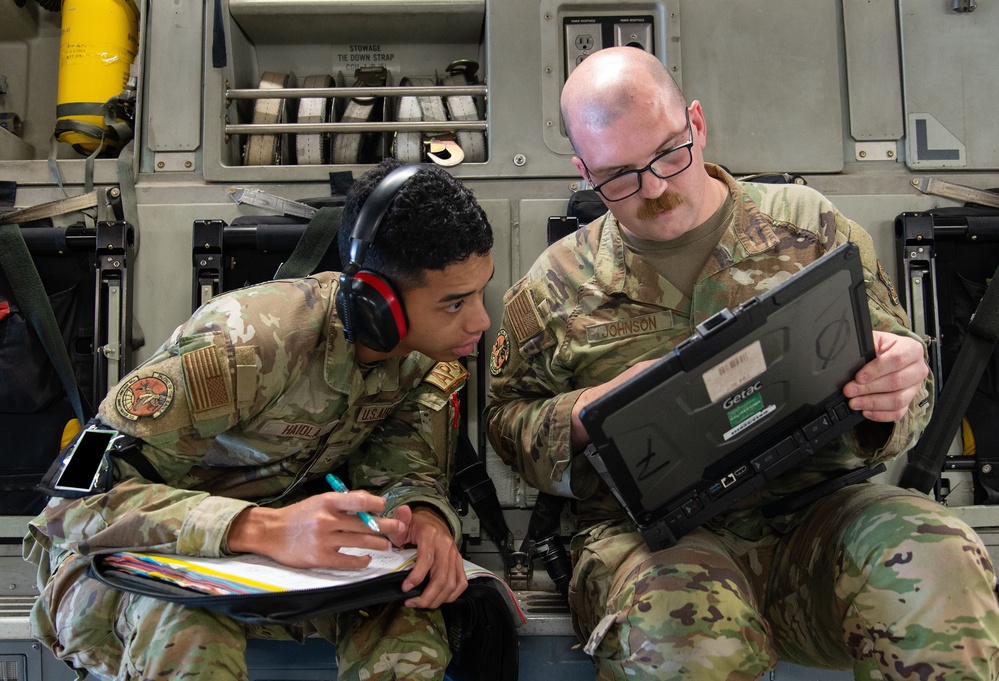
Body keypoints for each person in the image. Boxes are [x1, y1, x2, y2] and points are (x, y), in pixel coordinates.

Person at [484, 46, 999, 680]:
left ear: (697, 124)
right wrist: (591, 411)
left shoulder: (811, 229)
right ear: (582, 170)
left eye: (670, 153)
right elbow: (507, 425)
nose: (657, 189)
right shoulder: (555, 285)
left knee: (934, 556)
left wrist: (896, 390)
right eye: (618, 176)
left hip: (817, 521)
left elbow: (902, 382)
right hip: (651, 547)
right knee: (682, 625)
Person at [24, 159, 494, 681]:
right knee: (189, 628)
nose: (480, 321)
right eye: (454, 303)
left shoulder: (421, 356)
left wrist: (425, 518)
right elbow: (71, 507)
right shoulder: (243, 345)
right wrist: (259, 527)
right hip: (121, 562)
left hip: (273, 568)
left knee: (413, 613)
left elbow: (401, 470)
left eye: (480, 291)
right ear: (377, 302)